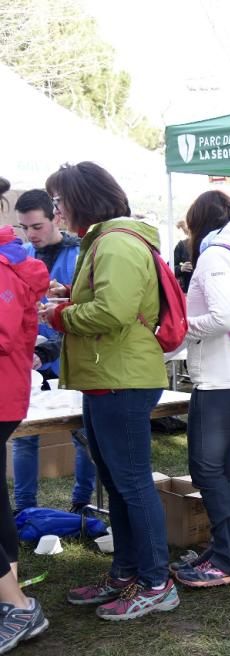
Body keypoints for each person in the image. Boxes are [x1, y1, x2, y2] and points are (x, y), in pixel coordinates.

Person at [41, 162, 178, 620]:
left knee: (132, 483)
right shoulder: (107, 240)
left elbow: (113, 312)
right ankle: (127, 572)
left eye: (58, 201)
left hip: (121, 377)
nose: (55, 210)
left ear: (82, 199)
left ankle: (157, 582)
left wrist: (61, 316)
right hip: (109, 376)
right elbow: (111, 303)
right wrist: (71, 298)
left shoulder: (115, 242)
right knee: (119, 483)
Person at [170, 191, 230, 588]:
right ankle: (227, 549)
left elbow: (223, 317)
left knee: (208, 469)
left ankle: (228, 559)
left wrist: (181, 327)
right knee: (223, 469)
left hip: (223, 379)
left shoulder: (214, 255)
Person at [11, 189, 96, 515]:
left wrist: (47, 349)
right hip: (30, 361)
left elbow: (86, 316)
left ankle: (83, 502)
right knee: (23, 435)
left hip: (69, 360)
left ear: (55, 218)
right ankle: (24, 508)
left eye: (36, 226)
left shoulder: (79, 257)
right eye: (23, 228)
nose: (31, 235)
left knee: (82, 432)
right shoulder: (21, 257)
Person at [0, 220, 50, 656]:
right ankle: (9, 595)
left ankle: (17, 604)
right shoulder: (13, 263)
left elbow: (3, 331)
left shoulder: (5, 268)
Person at [173, 219, 193, 292]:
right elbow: (170, 267)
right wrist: (181, 268)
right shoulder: (182, 245)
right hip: (188, 290)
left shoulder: (209, 243)